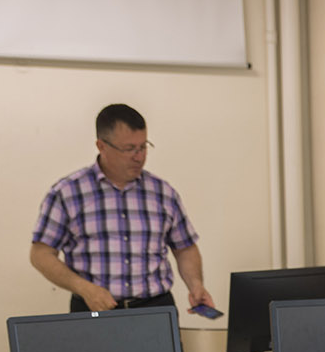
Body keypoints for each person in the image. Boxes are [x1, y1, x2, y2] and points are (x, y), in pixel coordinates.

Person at [30, 103, 215, 313]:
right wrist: (84, 288)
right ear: (102, 146)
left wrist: (196, 285)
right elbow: (41, 254)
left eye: (143, 147)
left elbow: (185, 248)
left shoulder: (162, 193)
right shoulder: (68, 193)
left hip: (155, 309)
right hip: (94, 309)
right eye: (129, 149)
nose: (139, 156)